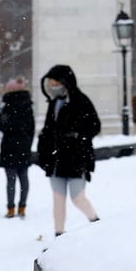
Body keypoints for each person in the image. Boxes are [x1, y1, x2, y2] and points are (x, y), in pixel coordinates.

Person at [36, 64, 101, 235]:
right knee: (58, 200)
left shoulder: (81, 101)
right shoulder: (54, 103)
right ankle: (59, 234)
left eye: (55, 82)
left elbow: (94, 125)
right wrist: (43, 151)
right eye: (51, 83)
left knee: (77, 197)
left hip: (76, 158)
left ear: (66, 82)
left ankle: (97, 224)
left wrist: (77, 136)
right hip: (56, 159)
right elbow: (48, 130)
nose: (53, 86)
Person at [0, 75, 35, 218]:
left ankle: (11, 208)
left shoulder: (7, 107)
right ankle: (22, 206)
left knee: (10, 179)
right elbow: (31, 128)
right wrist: (27, 143)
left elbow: (3, 126)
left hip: (9, 146)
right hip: (23, 145)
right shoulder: (28, 106)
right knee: (23, 177)